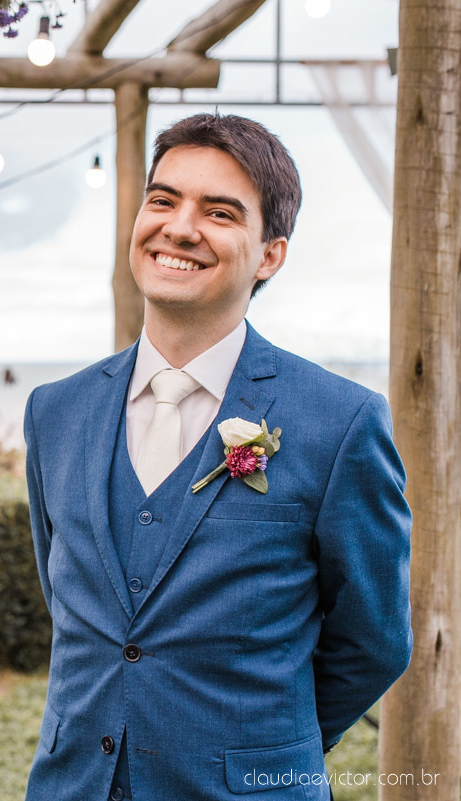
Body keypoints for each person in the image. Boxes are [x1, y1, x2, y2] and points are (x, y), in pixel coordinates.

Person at [23, 114, 412, 801]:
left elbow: (374, 639)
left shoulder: (342, 421)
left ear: (269, 254)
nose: (179, 227)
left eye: (220, 211)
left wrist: (263, 743)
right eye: (164, 199)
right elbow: (72, 600)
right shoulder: (55, 411)